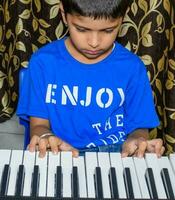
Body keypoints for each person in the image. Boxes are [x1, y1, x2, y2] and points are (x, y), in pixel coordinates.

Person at [17, 0, 165, 158]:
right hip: (60, 153)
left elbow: (139, 127)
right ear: (63, 14)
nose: (94, 43)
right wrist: (46, 138)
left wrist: (137, 140)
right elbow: (38, 126)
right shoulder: (43, 63)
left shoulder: (133, 68)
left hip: (116, 153)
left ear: (122, 18)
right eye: (81, 29)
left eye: (108, 30)